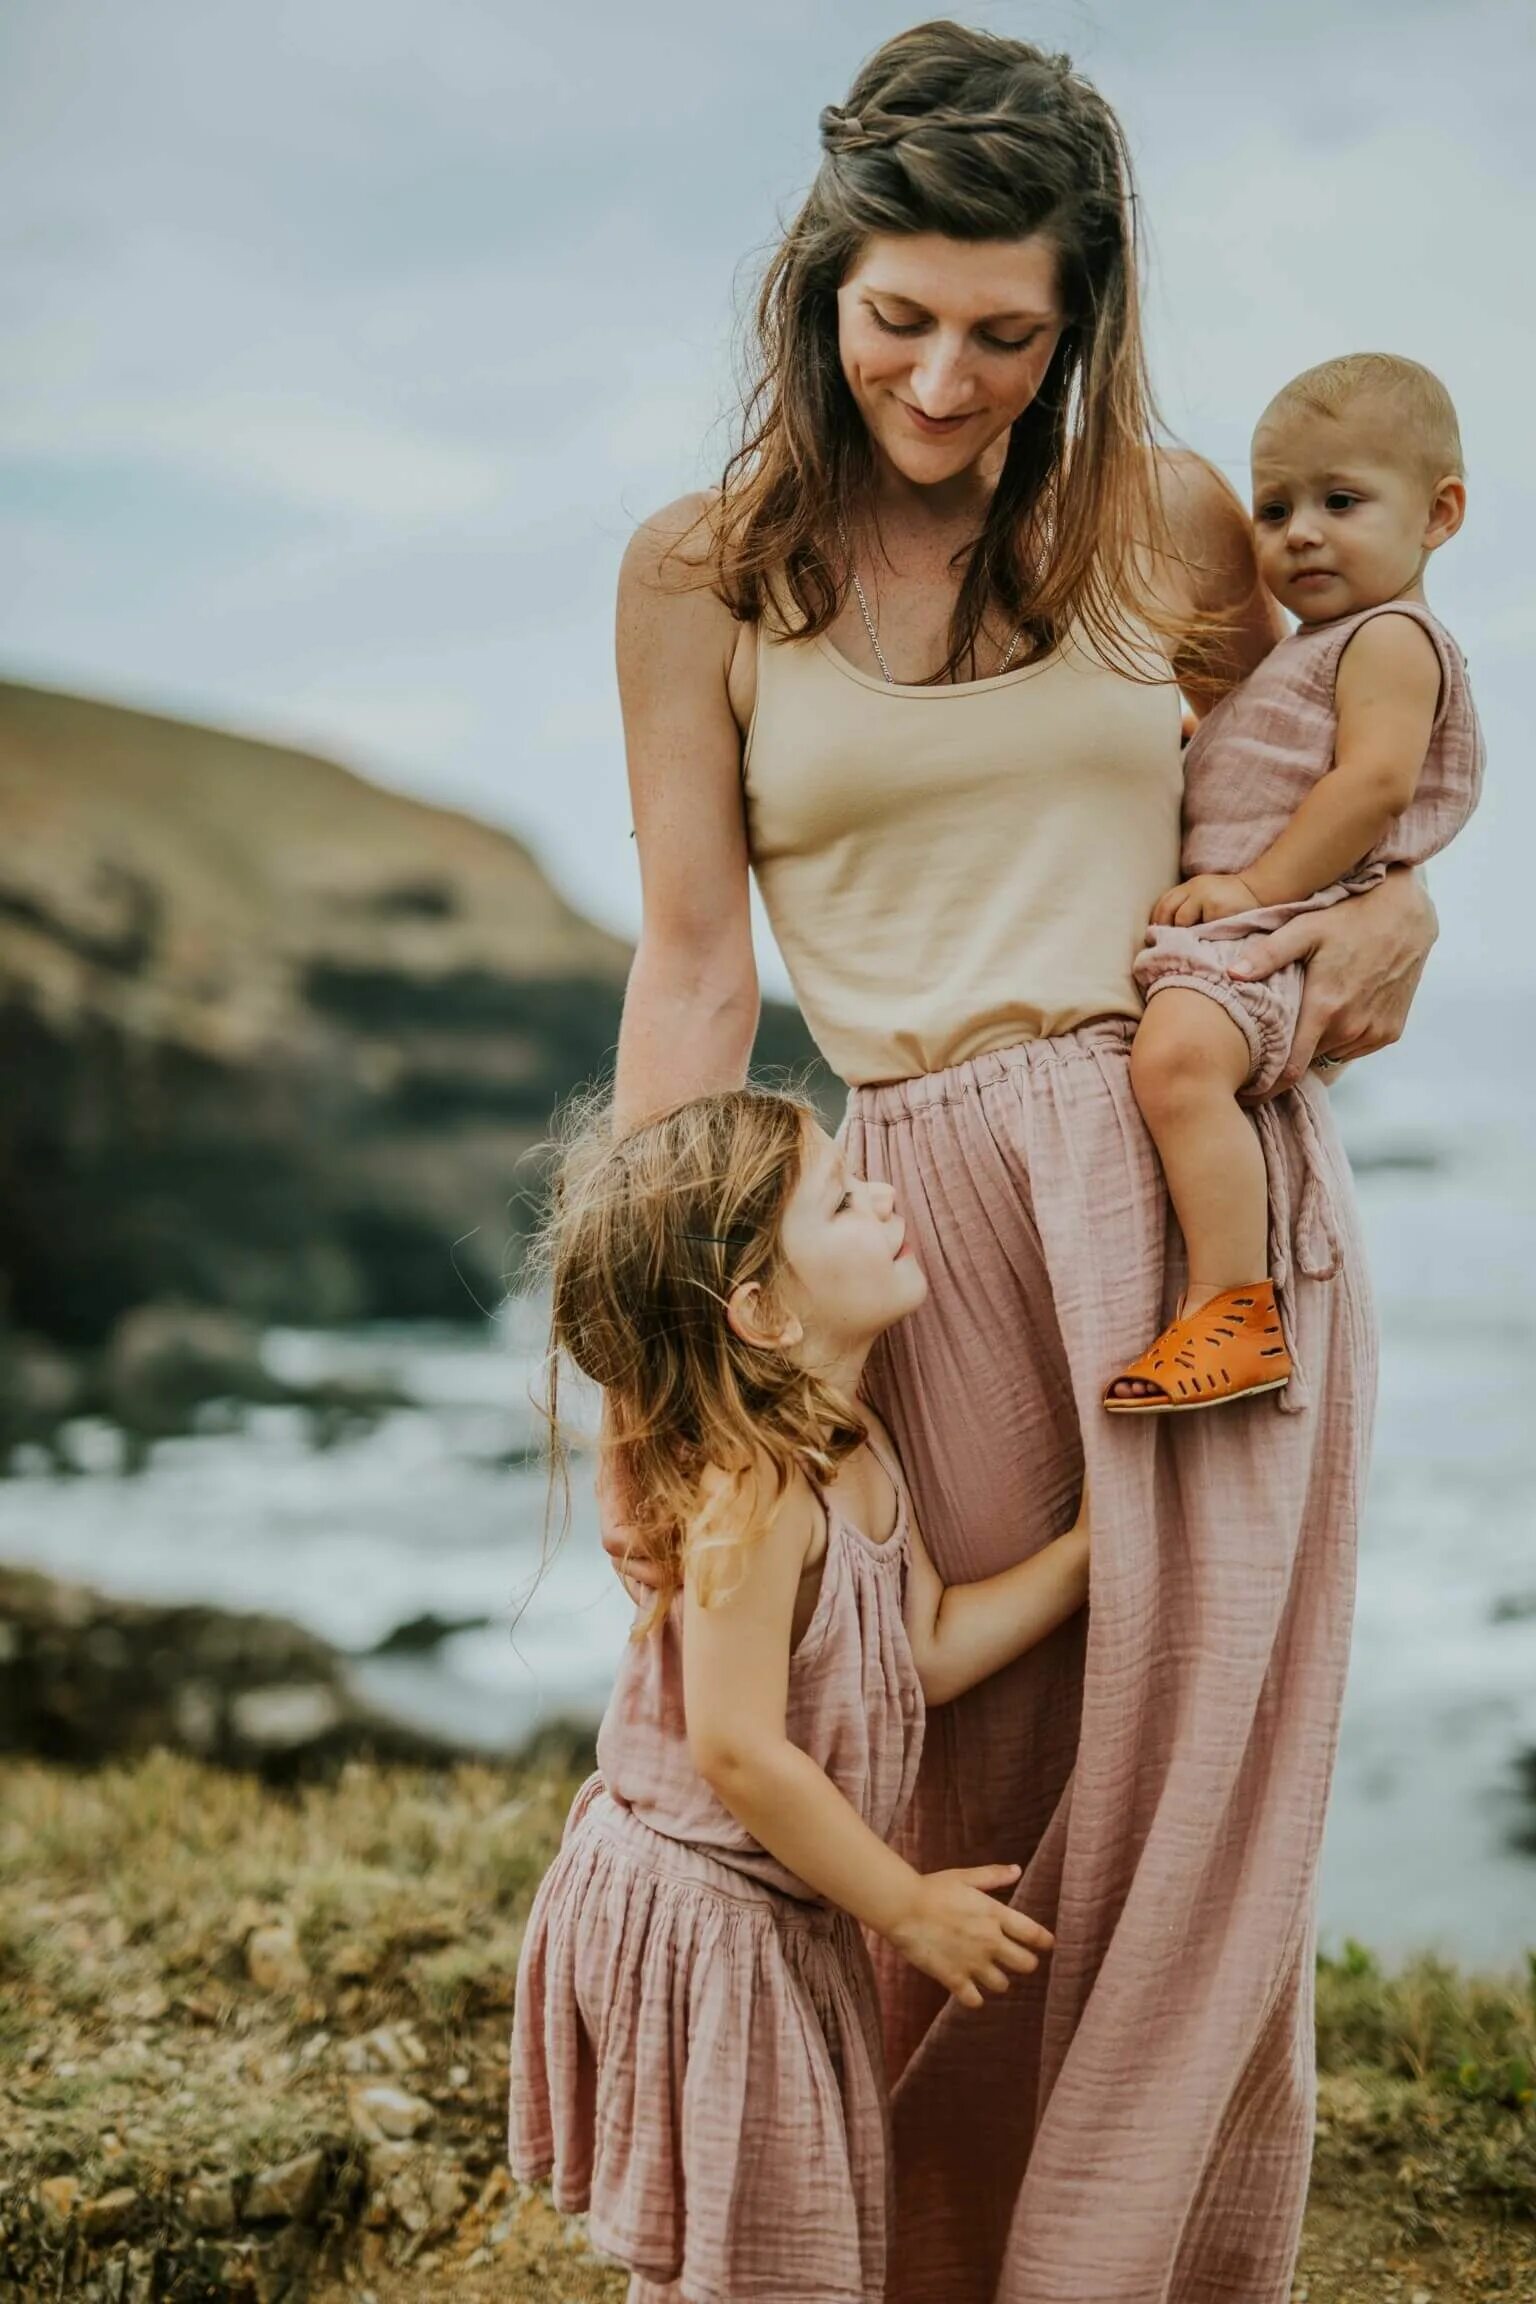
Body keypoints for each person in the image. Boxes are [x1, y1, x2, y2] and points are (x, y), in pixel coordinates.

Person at [599, 22, 1440, 2301]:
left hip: (1197, 1199)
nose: (948, 382)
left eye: (1005, 332)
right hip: (919, 1235)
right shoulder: (700, 578)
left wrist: (1396, 908)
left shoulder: (1162, 518)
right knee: (941, 1790)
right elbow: (691, 974)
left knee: (1190, 1832)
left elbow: (1329, 760)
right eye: (901, 321)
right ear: (816, 286)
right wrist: (651, 1356)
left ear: (1079, 316)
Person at [509, 1085, 1090, 2304]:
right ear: (762, 1311)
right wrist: (907, 1909)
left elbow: (921, 1642)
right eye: (840, 1198)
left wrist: (1092, 1553)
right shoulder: (752, 1490)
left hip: (779, 1915)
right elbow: (736, 1751)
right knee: (753, 2254)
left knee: (772, 2229)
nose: (883, 1197)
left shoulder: (858, 1444)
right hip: (705, 1910)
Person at [1105, 353, 1484, 1413]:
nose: (1299, 531)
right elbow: (1272, 760)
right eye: (1273, 508)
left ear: (1440, 513)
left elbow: (1371, 786)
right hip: (1251, 925)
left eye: (1341, 501)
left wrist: (1253, 884)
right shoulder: (1310, 652)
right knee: (1175, 1065)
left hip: (1282, 927)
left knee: (1179, 1064)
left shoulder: (1391, 640)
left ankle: (1231, 1314)